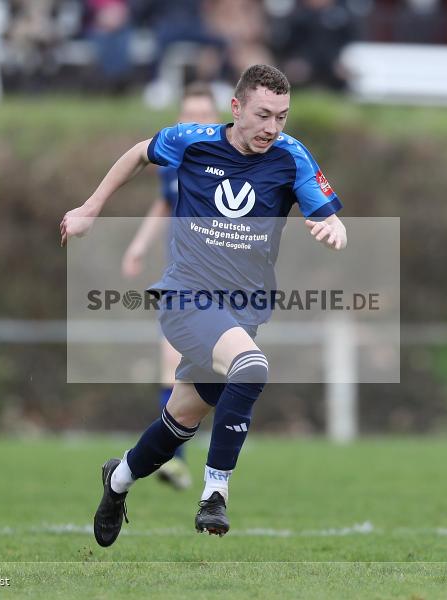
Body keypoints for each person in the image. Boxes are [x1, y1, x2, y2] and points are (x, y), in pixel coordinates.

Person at [60, 64, 346, 547]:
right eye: (262, 115)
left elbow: (329, 213)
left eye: (282, 117)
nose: (272, 128)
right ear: (236, 108)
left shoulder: (291, 157)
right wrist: (90, 209)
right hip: (186, 297)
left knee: (180, 422)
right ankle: (215, 493)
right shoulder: (192, 140)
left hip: (243, 313)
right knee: (252, 368)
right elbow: (137, 154)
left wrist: (335, 227)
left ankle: (118, 480)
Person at [120, 82, 219, 490]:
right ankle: (173, 460)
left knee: (218, 375)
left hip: (228, 284)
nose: (195, 122)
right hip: (183, 279)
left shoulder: (232, 163)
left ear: (218, 118)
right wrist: (139, 245)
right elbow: (164, 203)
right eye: (188, 115)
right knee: (170, 363)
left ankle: (207, 465)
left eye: (202, 115)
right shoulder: (173, 164)